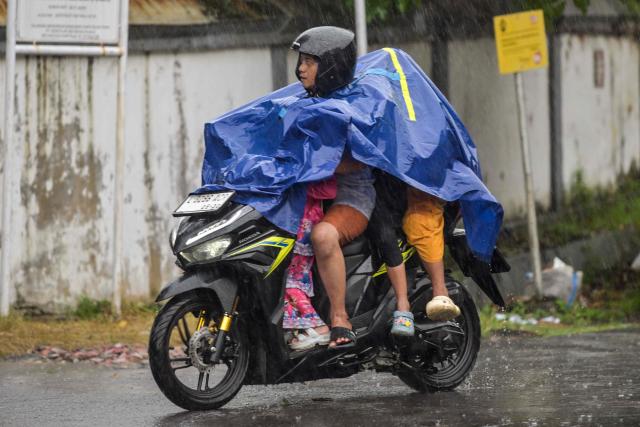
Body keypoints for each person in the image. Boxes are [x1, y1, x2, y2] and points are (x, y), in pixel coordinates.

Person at [292, 26, 375, 349]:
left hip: (352, 197)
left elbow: (364, 158)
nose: (301, 68)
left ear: (331, 65)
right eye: (301, 60)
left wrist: (319, 162)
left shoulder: (354, 104)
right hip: (307, 198)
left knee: (323, 236)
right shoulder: (302, 103)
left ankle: (339, 319)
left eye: (311, 61)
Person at [283, 178, 336, 351]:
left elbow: (328, 190)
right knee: (289, 280)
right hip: (289, 225)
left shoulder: (311, 168)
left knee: (292, 281)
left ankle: (317, 325)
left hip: (301, 228)